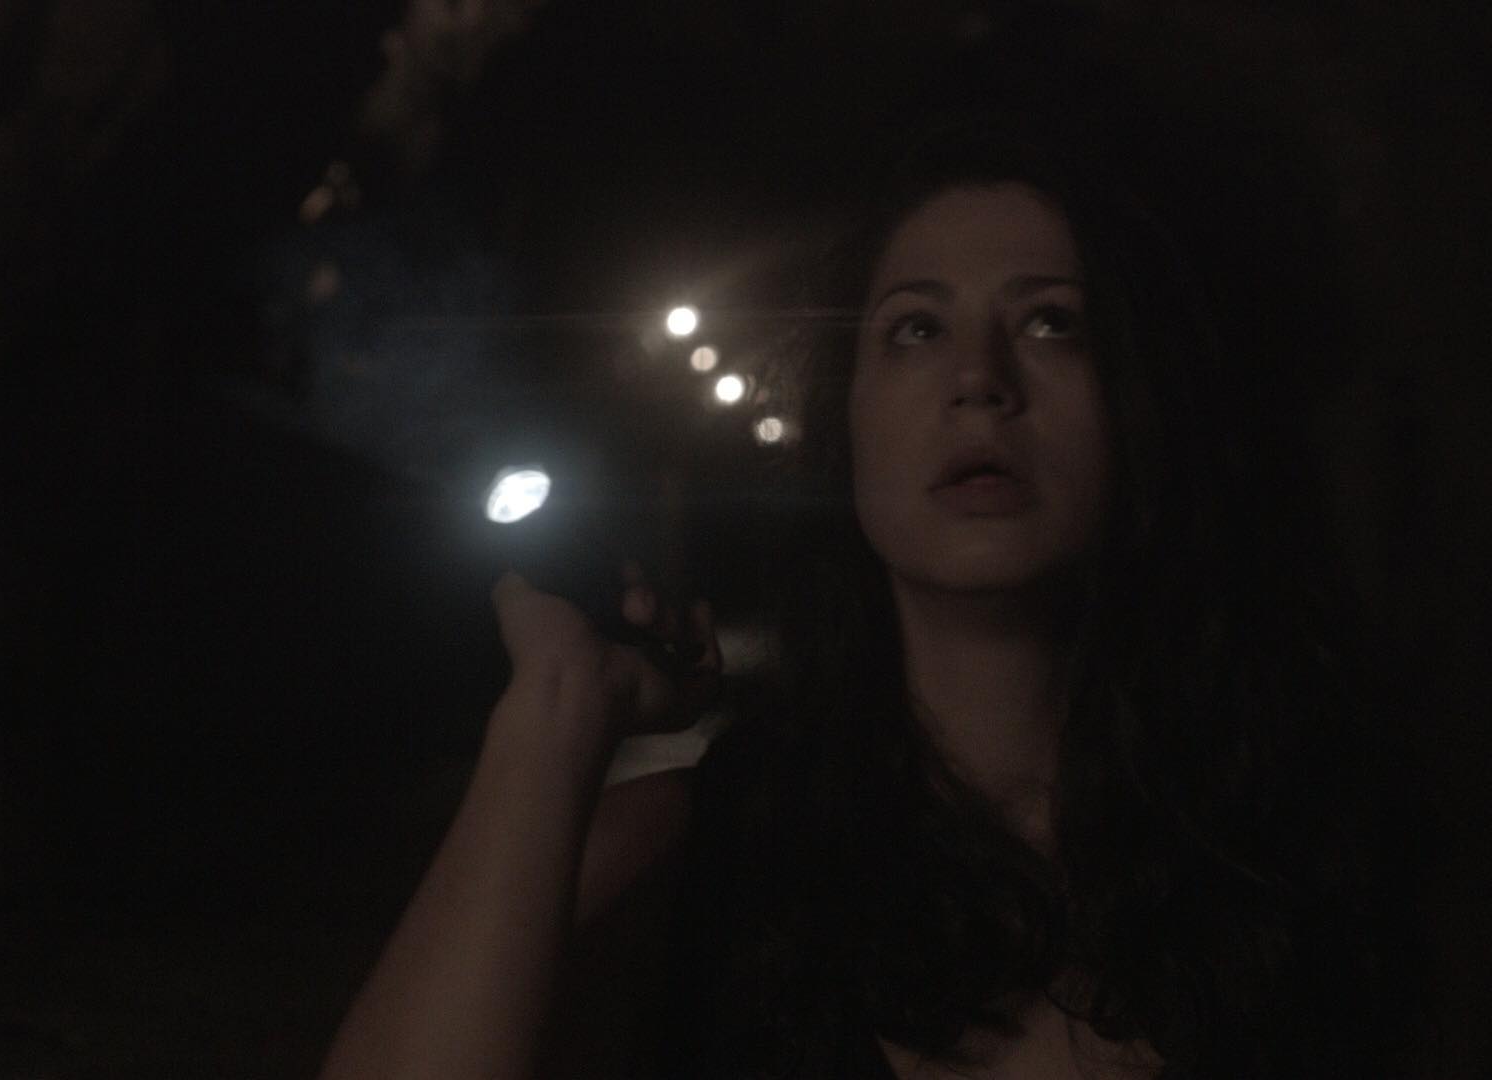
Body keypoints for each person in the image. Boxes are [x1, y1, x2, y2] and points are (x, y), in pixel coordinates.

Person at [319, 27, 1423, 1080]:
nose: (978, 379)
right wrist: (553, 715)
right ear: (845, 426)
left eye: (1052, 322)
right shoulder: (713, 849)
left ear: (1139, 401)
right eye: (915, 329)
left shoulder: (1299, 841)